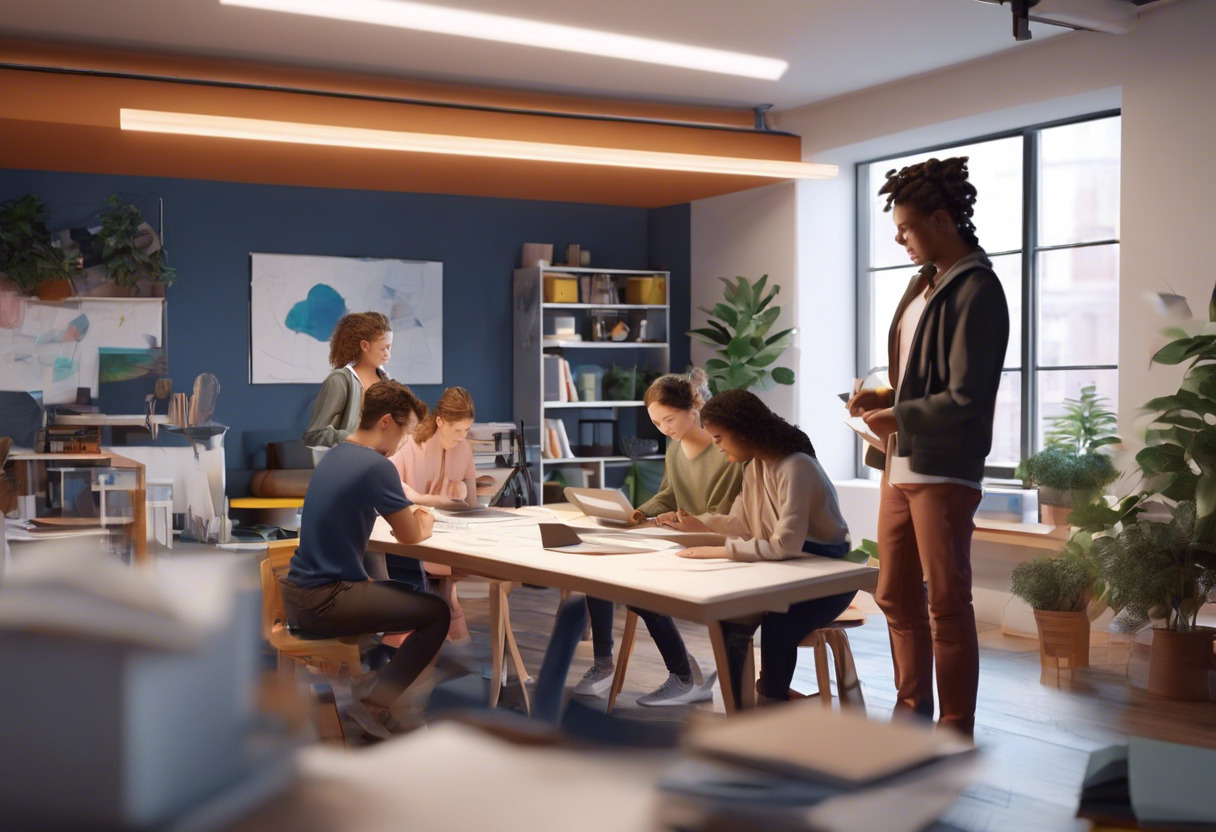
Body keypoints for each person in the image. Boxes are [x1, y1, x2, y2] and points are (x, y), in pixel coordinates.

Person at [848, 156, 1009, 739]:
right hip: (901, 461)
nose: (898, 238)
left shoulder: (978, 289)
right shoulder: (922, 285)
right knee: (891, 592)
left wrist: (897, 413)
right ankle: (911, 711)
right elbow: (920, 375)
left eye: (907, 228)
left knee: (945, 601)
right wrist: (876, 401)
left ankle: (955, 728)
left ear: (942, 220)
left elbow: (966, 394)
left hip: (944, 467)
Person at [658, 388, 855, 707]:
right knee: (730, 619)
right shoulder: (756, 467)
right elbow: (743, 524)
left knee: (780, 627)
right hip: (790, 570)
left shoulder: (796, 467)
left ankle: (770, 703)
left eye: (720, 438)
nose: (718, 448)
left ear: (744, 430)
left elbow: (784, 545)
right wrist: (700, 522)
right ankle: (741, 710)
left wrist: (718, 550)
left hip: (827, 576)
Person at [281, 379, 449, 739]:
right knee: (437, 613)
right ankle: (372, 707)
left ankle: (370, 696)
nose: (405, 442)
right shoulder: (376, 466)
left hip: (299, 594)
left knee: (392, 590)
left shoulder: (338, 454)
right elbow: (411, 535)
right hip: (326, 600)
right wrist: (426, 517)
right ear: (386, 422)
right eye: (405, 432)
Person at [574, 370, 745, 706]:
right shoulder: (674, 450)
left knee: (640, 590)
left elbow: (720, 512)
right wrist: (636, 513)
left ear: (693, 409)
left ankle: (683, 675)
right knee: (597, 570)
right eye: (657, 423)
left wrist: (679, 521)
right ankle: (603, 663)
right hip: (679, 536)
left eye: (669, 419)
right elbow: (667, 494)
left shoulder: (724, 451)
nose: (665, 429)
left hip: (709, 542)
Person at [390, 387, 478, 644]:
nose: (462, 437)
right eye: (457, 430)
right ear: (440, 421)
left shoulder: (464, 450)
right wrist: (430, 500)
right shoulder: (410, 443)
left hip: (450, 531)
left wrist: (467, 501)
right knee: (441, 598)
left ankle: (448, 617)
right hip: (413, 528)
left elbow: (472, 501)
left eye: (467, 431)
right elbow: (392, 483)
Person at [303, 311, 393, 448]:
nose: (388, 355)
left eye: (389, 347)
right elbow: (314, 435)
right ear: (364, 346)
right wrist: (356, 438)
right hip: (353, 460)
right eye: (383, 348)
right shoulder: (339, 381)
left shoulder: (388, 382)